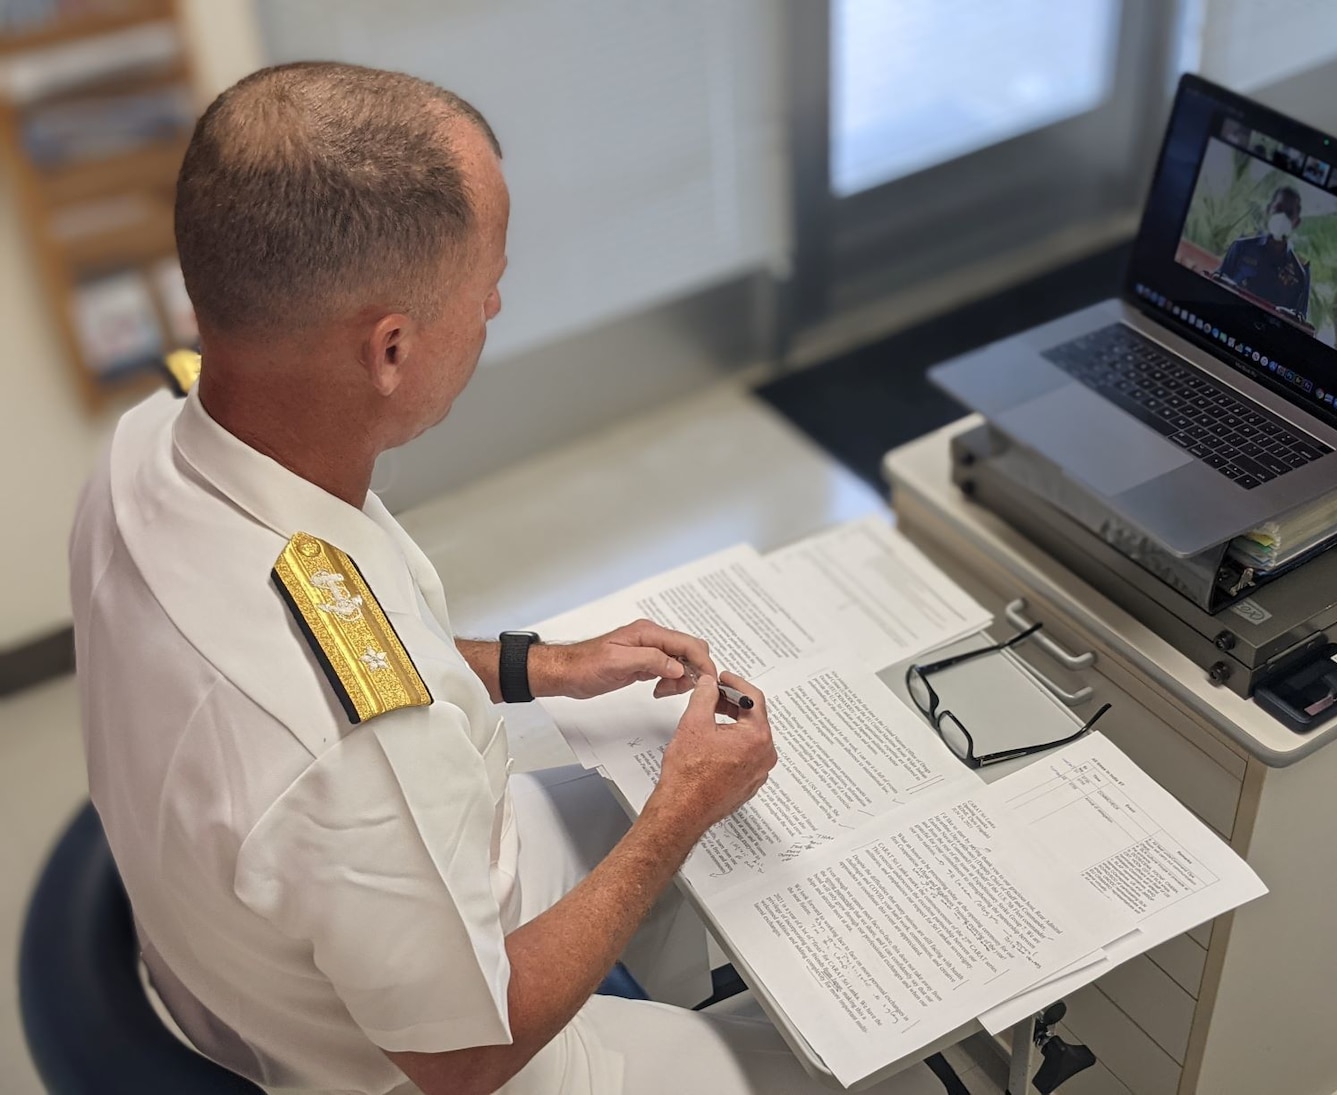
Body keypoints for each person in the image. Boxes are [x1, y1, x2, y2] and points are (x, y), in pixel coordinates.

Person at [70, 63, 943, 1095]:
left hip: (300, 933)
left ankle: (671, 999)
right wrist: (679, 812)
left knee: (641, 815)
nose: (492, 300)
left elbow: (357, 659)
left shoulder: (151, 450)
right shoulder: (352, 756)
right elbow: (465, 1052)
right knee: (884, 1071)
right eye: (483, 281)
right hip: (446, 1056)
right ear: (389, 348)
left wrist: (548, 666)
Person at [1215, 186, 1312, 321]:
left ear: (1296, 222)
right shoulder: (1241, 247)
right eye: (1278, 209)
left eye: (1289, 214)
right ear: (1268, 210)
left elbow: (1299, 321)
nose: (1282, 217)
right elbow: (1216, 286)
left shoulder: (1301, 271)